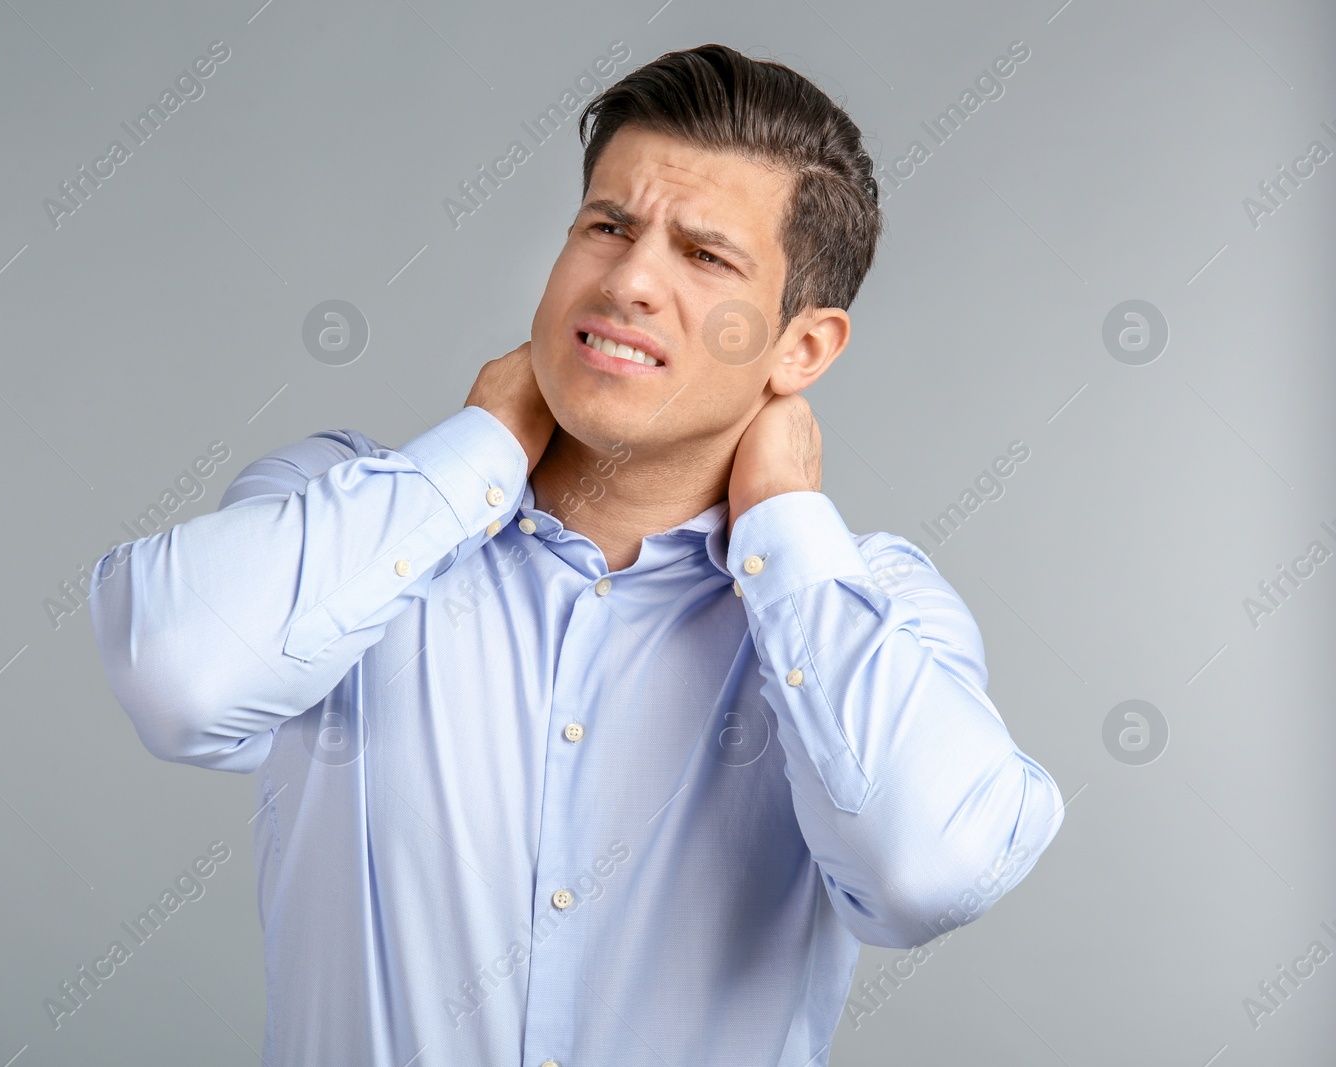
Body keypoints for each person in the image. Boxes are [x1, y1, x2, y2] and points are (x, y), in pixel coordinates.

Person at [88, 42, 1063, 1067]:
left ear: (802, 348)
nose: (629, 279)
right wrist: (483, 444)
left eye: (704, 255)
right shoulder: (340, 519)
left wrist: (783, 517)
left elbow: (927, 872)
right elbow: (177, 678)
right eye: (608, 226)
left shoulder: (875, 612)